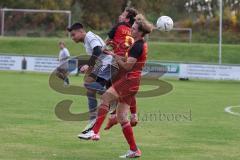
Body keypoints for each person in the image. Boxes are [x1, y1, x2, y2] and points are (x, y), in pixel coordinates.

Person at [80, 14, 154, 158]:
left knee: (106, 97)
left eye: (133, 29)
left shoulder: (138, 46)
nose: (131, 30)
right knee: (121, 117)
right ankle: (134, 150)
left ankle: (94, 131)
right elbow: (127, 61)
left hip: (129, 80)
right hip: (133, 82)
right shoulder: (139, 43)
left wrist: (114, 57)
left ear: (139, 32)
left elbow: (127, 66)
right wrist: (113, 53)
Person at [67, 23, 119, 136]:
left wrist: (88, 65)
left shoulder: (89, 37)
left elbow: (97, 50)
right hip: (104, 65)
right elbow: (101, 50)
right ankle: (93, 118)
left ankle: (113, 98)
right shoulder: (87, 40)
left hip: (109, 64)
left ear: (81, 31)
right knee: (89, 89)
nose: (72, 38)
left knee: (88, 85)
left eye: (73, 35)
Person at [104, 7, 139, 130]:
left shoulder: (118, 26)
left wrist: (107, 49)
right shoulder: (136, 31)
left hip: (117, 63)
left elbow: (106, 44)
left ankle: (113, 115)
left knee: (109, 87)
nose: (120, 16)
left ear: (127, 18)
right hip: (130, 63)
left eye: (123, 15)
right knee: (129, 90)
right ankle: (134, 115)